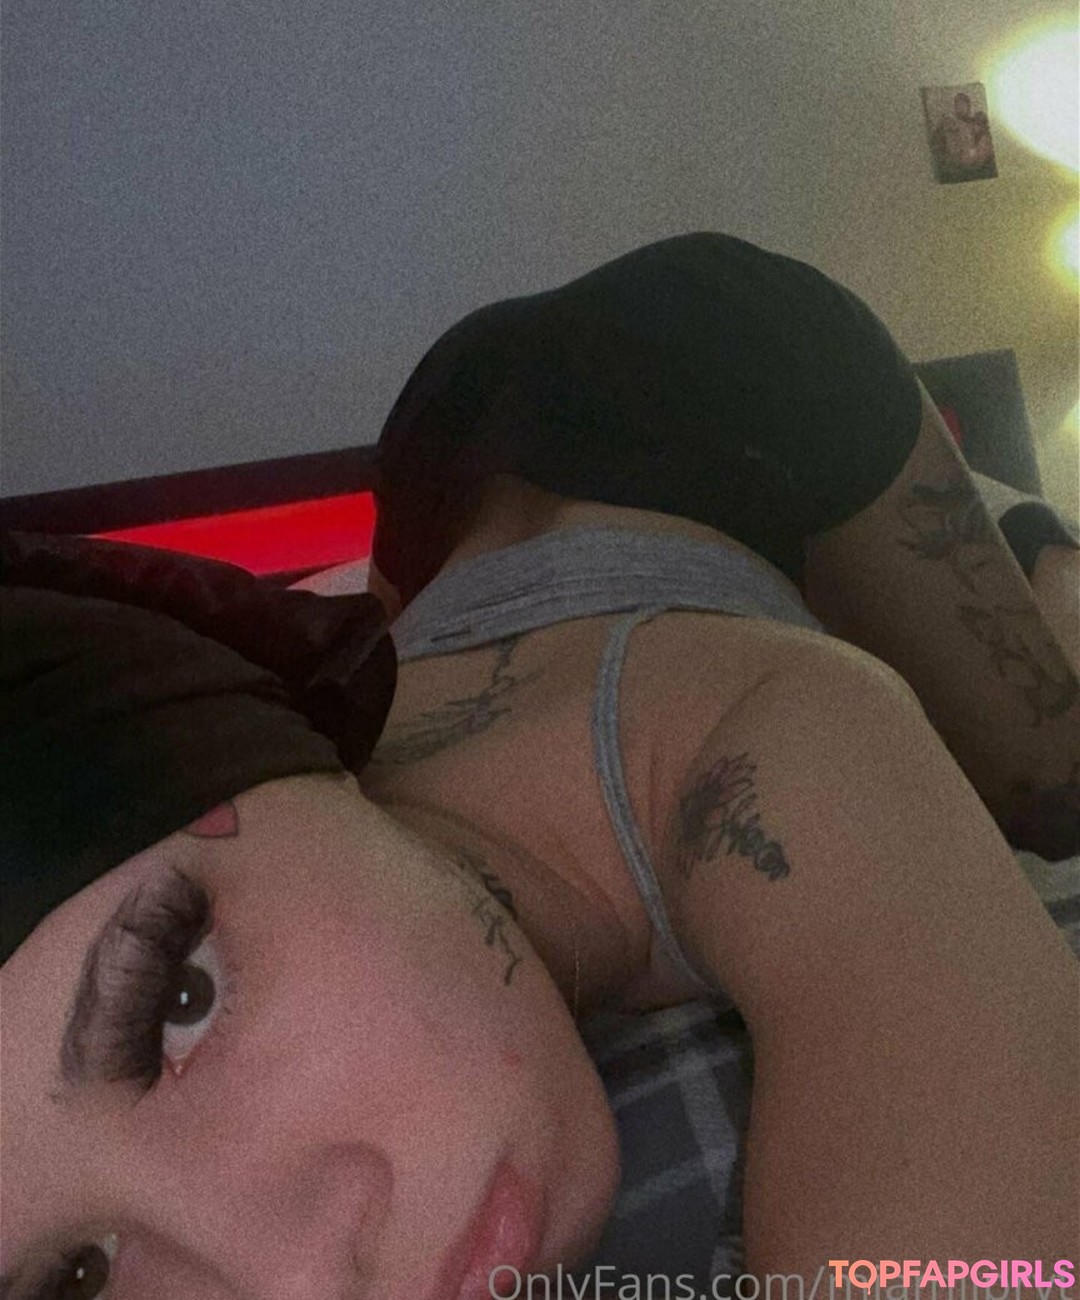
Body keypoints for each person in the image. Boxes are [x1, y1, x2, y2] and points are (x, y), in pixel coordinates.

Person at [355, 231, 1080, 1274]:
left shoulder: (771, 735)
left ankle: (1041, 551)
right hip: (446, 425)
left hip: (738, 338)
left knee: (1054, 784)